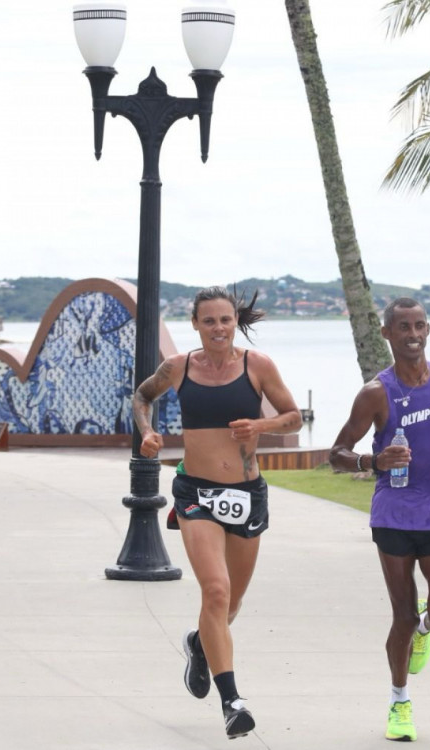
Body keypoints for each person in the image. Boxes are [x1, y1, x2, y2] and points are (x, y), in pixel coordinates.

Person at [134, 285, 301, 740]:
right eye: (208, 321)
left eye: (225, 320)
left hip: (246, 495)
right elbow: (141, 396)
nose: (218, 329)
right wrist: (147, 432)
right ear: (195, 324)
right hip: (196, 494)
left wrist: (261, 424)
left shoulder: (257, 366)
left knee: (233, 600)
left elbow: (294, 417)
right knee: (216, 590)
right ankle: (232, 702)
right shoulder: (178, 367)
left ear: (235, 322)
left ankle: (200, 645)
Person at [329, 297, 430, 742]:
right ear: (387, 334)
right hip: (395, 514)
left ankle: (426, 625)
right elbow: (335, 454)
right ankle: (400, 702)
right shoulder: (376, 393)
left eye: (419, 326)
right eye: (403, 328)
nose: (412, 335)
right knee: (399, 615)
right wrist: (372, 462)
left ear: (428, 330)